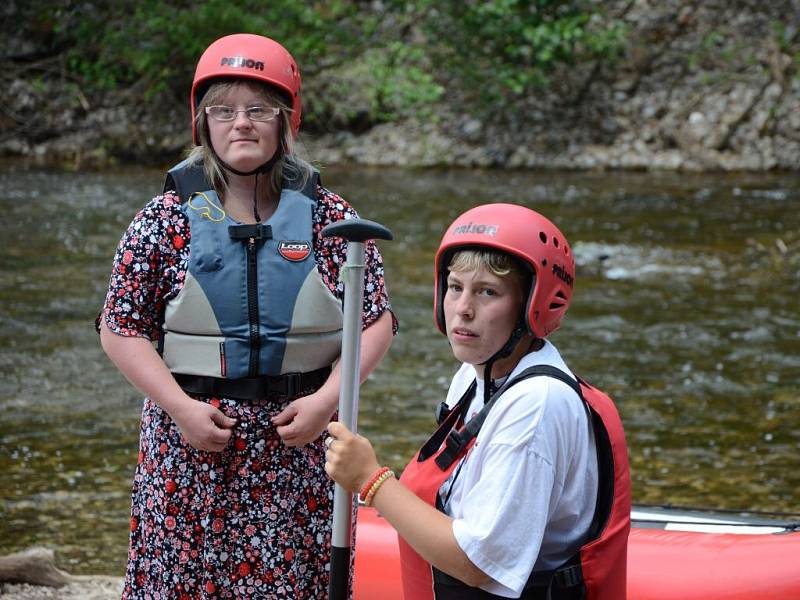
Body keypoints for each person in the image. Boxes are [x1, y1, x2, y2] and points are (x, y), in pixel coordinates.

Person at [97, 33, 394, 598]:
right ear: (201, 122)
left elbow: (376, 321)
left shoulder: (331, 218)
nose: (242, 123)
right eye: (224, 110)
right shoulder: (164, 220)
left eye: (259, 109)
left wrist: (325, 403)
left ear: (286, 121)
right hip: (190, 446)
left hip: (299, 445)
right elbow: (121, 328)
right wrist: (181, 409)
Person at [325, 203, 630, 599]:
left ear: (534, 305)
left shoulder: (537, 405)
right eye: (455, 287)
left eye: (487, 292)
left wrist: (372, 480)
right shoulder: (476, 376)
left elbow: (479, 564)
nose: (463, 309)